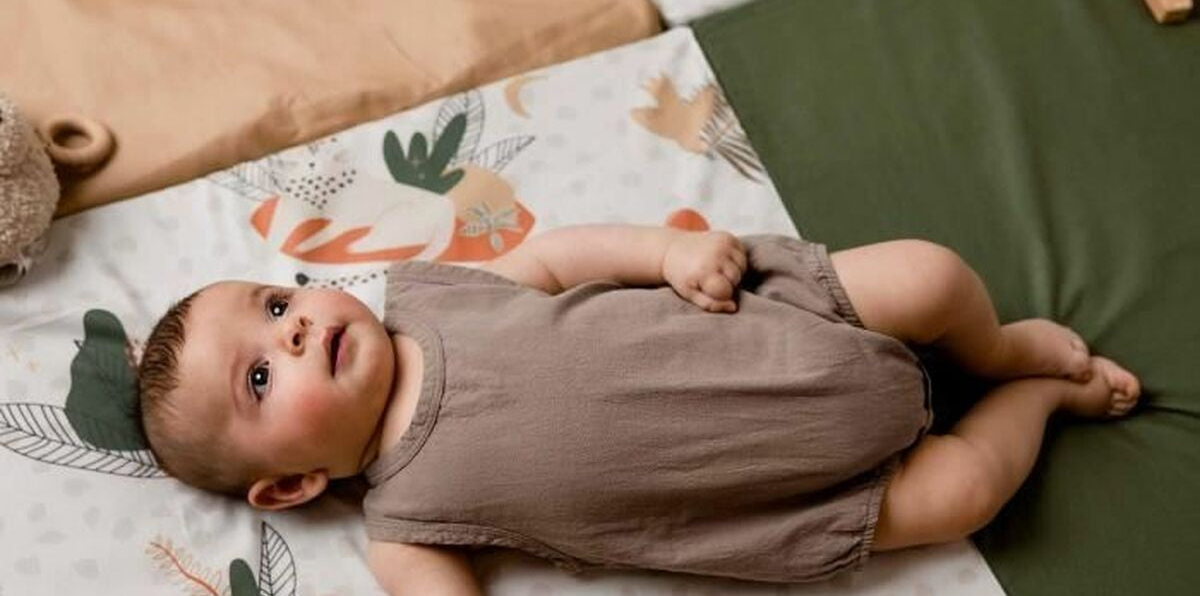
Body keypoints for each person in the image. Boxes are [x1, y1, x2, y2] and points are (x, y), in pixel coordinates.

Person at [137, 225, 1140, 595]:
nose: (295, 332)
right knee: (962, 493)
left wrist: (665, 252)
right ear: (292, 484)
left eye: (277, 305)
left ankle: (999, 349)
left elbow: (556, 258)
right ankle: (1040, 397)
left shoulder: (430, 299)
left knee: (930, 274)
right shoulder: (403, 525)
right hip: (789, 495)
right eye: (259, 379)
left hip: (775, 323)